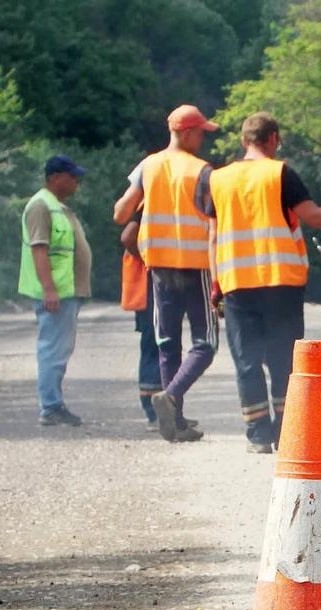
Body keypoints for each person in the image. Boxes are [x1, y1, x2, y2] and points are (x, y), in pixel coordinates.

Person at [201, 111, 321, 453]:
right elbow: (314, 217)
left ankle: (257, 436)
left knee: (246, 361)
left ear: (244, 141)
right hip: (280, 282)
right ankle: (284, 432)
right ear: (273, 138)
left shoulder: (218, 179)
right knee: (282, 360)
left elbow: (213, 237)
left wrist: (215, 283)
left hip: (236, 284)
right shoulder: (281, 174)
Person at [113, 104, 219, 443]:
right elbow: (217, 220)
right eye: (201, 132)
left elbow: (120, 214)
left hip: (157, 265)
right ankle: (171, 399)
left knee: (167, 343)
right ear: (186, 133)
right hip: (195, 265)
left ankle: (175, 423)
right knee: (206, 343)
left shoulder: (149, 165)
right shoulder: (202, 171)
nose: (203, 138)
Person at [19, 155, 93, 426]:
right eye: (71, 176)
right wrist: (49, 289)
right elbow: (39, 248)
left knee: (59, 349)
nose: (76, 181)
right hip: (56, 293)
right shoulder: (41, 206)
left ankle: (53, 404)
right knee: (53, 349)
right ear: (54, 177)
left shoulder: (56, 206)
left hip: (66, 290)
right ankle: (50, 407)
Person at [119, 213, 163, 430]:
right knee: (154, 344)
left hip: (153, 285)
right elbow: (128, 236)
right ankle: (154, 412)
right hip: (151, 285)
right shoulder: (147, 200)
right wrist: (152, 260)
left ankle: (160, 410)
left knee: (156, 344)